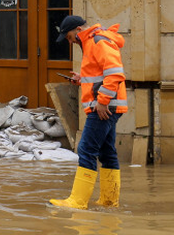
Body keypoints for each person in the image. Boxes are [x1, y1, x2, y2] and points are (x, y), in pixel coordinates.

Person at [51, 15, 126, 209]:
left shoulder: (97, 41)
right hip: (107, 105)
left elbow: (115, 73)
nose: (70, 42)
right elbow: (101, 73)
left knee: (86, 149)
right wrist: (82, 78)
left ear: (78, 30)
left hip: (103, 107)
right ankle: (109, 200)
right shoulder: (94, 41)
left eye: (69, 37)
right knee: (107, 151)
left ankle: (78, 201)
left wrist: (102, 101)